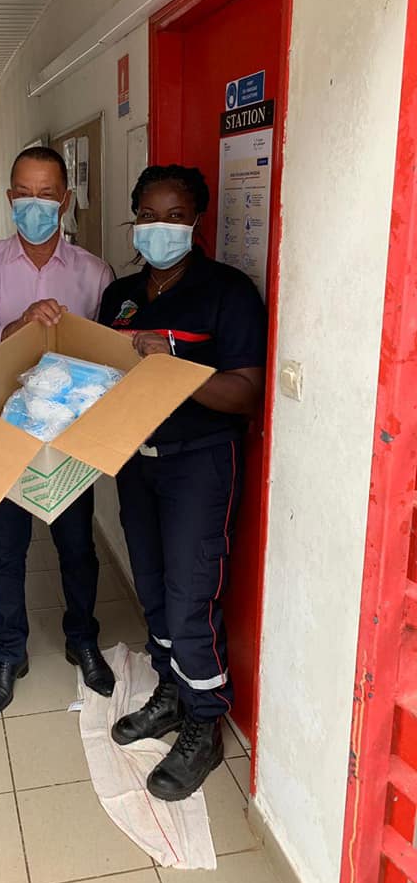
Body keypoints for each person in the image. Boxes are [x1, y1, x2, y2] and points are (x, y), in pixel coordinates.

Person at [98, 164, 267, 800]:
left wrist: (175, 365)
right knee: (153, 584)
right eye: (148, 215)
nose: (160, 227)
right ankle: (172, 690)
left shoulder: (227, 291)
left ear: (196, 221)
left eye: (174, 216)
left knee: (192, 592)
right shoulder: (120, 295)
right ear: (134, 218)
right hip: (135, 458)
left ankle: (205, 722)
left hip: (199, 460)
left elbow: (245, 393)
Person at [0, 146, 115, 716]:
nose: (35, 204)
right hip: (1, 427)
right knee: (7, 550)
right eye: (23, 193)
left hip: (70, 434)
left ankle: (82, 640)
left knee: (77, 546)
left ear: (65, 200)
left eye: (46, 194)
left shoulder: (94, 273)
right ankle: (9, 654)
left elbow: (108, 358)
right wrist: (18, 327)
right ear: (9, 198)